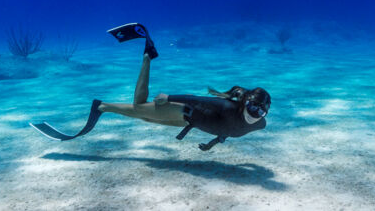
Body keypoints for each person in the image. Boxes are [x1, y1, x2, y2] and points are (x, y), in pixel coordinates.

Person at [30, 23, 270, 151]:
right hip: (183, 110)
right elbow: (198, 99)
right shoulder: (227, 107)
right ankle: (148, 55)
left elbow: (230, 130)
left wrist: (211, 144)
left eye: (260, 111)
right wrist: (169, 97)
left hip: (189, 122)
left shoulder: (260, 124)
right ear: (245, 102)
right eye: (252, 107)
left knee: (144, 117)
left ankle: (102, 106)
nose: (254, 114)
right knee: (140, 105)